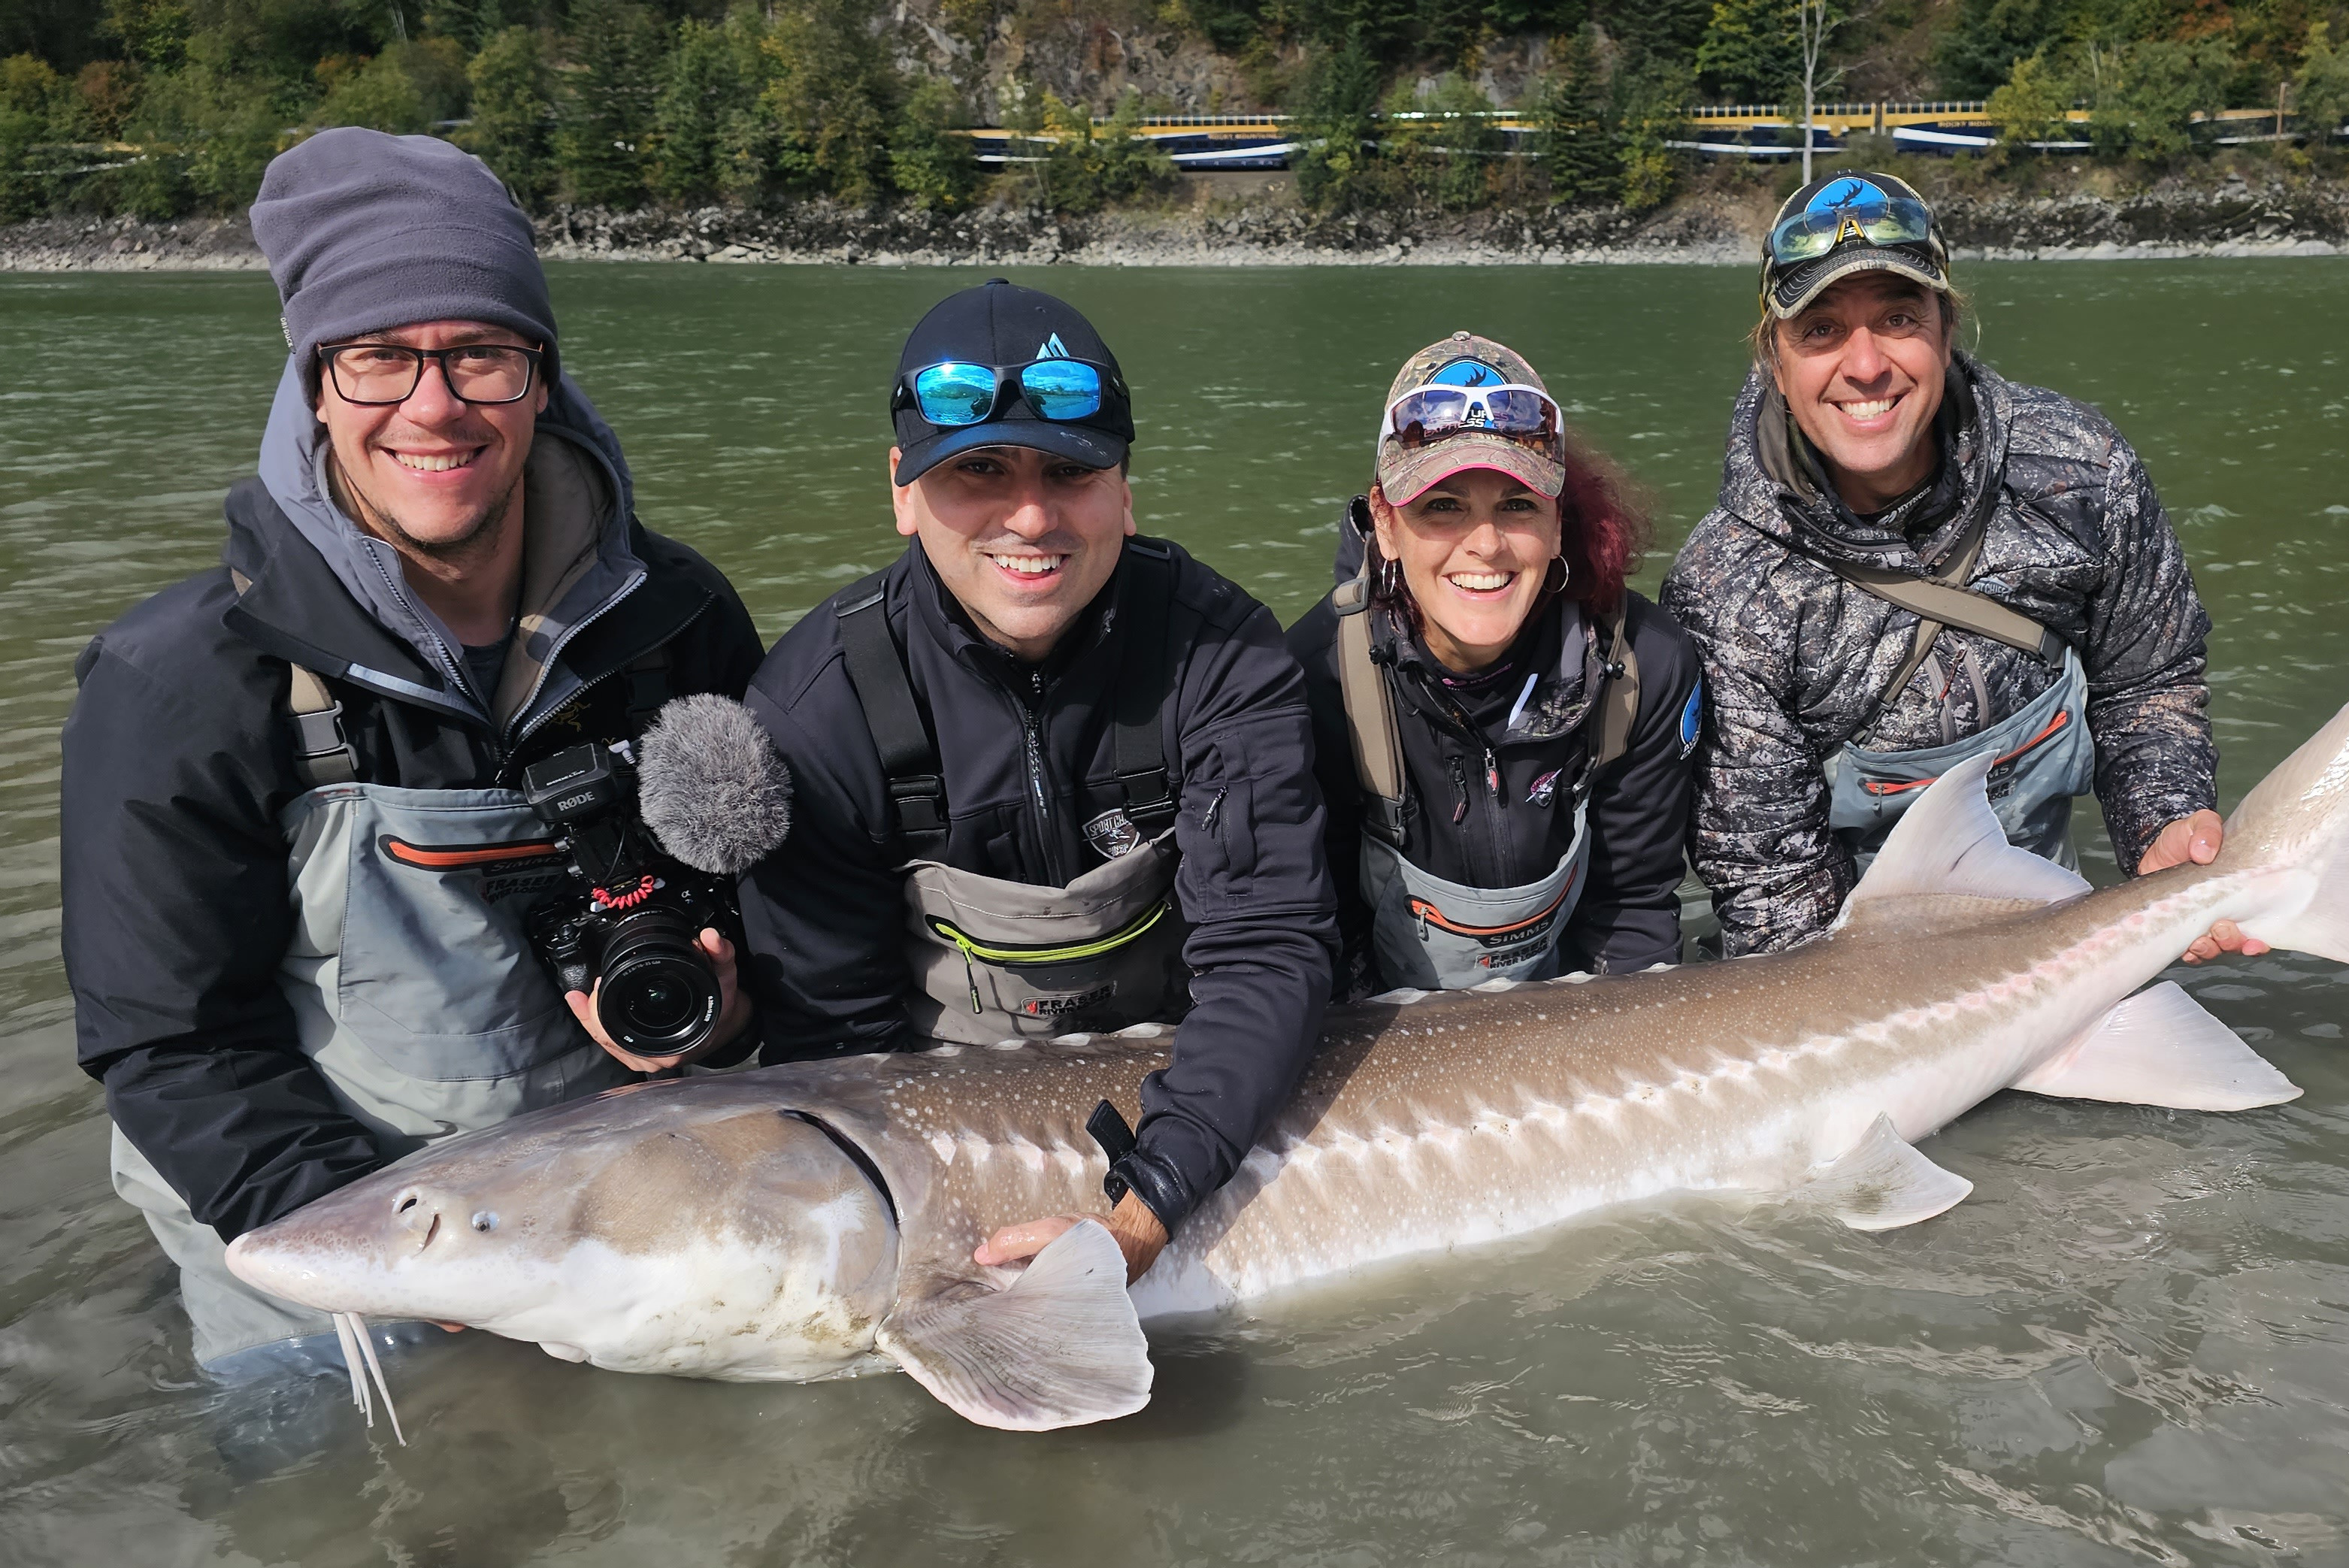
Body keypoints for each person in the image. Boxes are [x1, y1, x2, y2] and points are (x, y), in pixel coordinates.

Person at [59, 129, 765, 1373]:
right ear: (315, 385)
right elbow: (168, 1044)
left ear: (539, 380)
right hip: (321, 1230)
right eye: (379, 356)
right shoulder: (176, 678)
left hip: (606, 1207)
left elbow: (766, 900)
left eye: (480, 354)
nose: (433, 406)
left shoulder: (678, 619)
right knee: (333, 1489)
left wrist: (728, 1010)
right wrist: (391, 1254)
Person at [739, 280, 1336, 1286]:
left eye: (1069, 471)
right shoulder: (811, 711)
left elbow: (1265, 950)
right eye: (977, 469)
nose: (1029, 515)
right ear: (902, 489)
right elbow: (837, 1050)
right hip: (944, 1124)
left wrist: (1149, 1205)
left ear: (1124, 490)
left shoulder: (1224, 653)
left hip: (1196, 1096)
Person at [1660, 170, 2266, 967]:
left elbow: (2147, 679)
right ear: (1775, 359)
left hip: (2057, 930)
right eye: (1821, 329)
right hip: (1849, 967)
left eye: (1898, 318)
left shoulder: (2078, 468)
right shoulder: (1726, 590)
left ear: (1947, 330)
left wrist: (2163, 823)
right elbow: (1769, 887)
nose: (1865, 364)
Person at [1285, 333, 1700, 996]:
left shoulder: (1644, 662)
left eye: (1517, 505)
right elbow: (1313, 943)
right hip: (1379, 1018)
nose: (1485, 544)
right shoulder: (1310, 681)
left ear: (1558, 524)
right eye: (1443, 506)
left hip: (1571, 1008)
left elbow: (1631, 909)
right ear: (1386, 524)